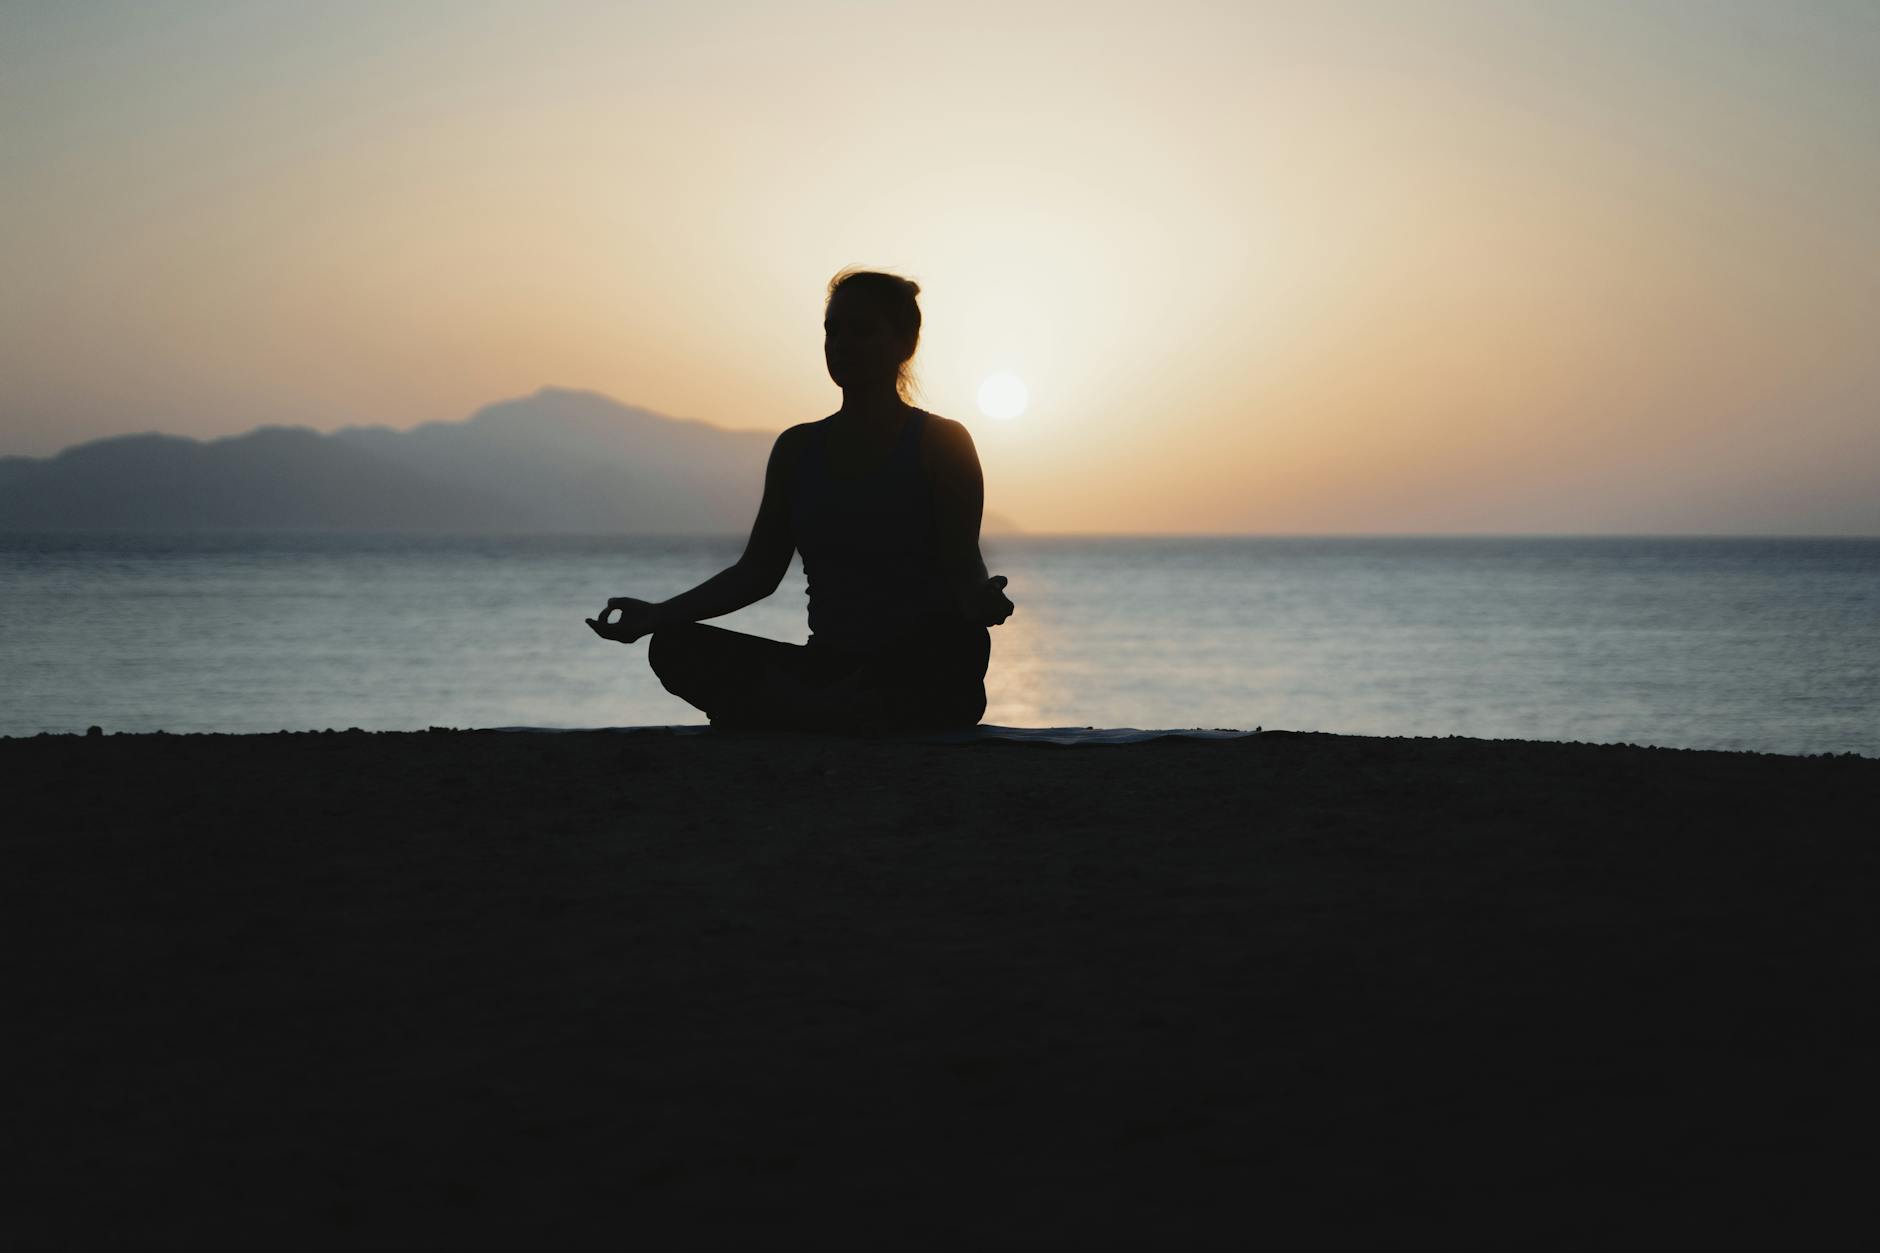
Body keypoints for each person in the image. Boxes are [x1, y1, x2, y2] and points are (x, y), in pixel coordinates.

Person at [586, 269, 1014, 732]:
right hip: (829, 667)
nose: (841, 343)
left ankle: (806, 711)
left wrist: (982, 600)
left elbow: (964, 565)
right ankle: (828, 709)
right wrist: (656, 615)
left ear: (903, 344)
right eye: (832, 330)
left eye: (861, 330)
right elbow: (757, 573)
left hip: (913, 667)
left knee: (956, 652)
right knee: (672, 646)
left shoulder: (942, 443)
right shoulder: (797, 450)